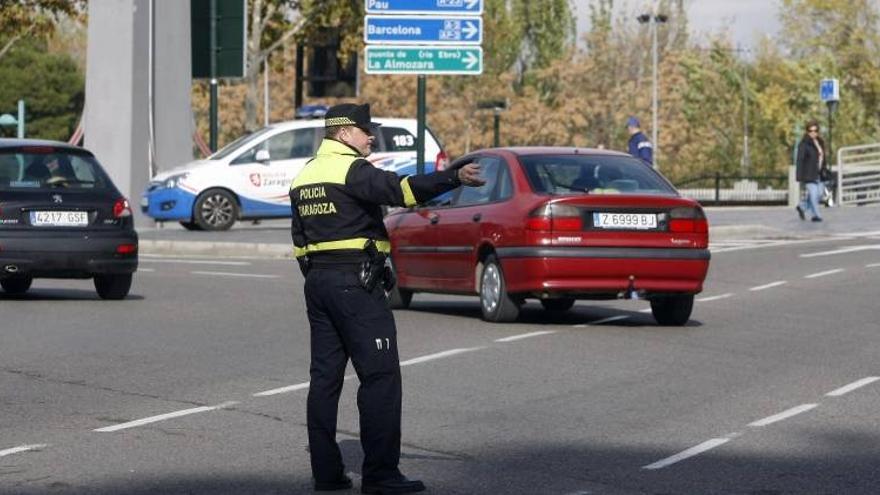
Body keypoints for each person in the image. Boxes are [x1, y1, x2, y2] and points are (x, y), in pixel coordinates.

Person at [290, 103, 484, 494]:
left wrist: (322, 278)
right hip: (356, 287)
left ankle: (326, 473)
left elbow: (300, 243)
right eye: (365, 130)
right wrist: (452, 177)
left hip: (320, 285)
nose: (371, 136)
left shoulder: (304, 176)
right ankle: (380, 474)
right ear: (343, 133)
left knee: (325, 380)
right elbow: (403, 191)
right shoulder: (353, 171)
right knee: (380, 377)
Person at [795, 120, 827, 222]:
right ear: (807, 131)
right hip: (809, 174)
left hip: (819, 174)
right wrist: (799, 176)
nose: (813, 132)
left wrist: (824, 169)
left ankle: (802, 206)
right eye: (810, 130)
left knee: (820, 194)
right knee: (813, 195)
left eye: (815, 130)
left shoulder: (820, 142)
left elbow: (822, 158)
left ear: (818, 131)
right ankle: (816, 215)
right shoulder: (804, 144)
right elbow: (800, 160)